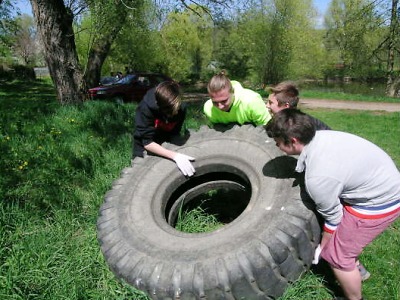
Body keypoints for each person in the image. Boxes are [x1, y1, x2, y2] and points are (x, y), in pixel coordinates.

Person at [265, 109, 400, 300]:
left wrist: (323, 248)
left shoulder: (318, 178)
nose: (276, 145)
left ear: (293, 140)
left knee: (337, 257)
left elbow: (334, 219)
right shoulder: (321, 136)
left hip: (378, 203)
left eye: (277, 141)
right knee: (342, 245)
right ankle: (358, 269)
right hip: (383, 181)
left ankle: (353, 296)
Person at [133, 81, 195, 177]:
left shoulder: (181, 108)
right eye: (169, 111)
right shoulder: (145, 108)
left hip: (167, 141)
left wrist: (178, 152)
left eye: (175, 110)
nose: (173, 115)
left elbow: (175, 133)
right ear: (159, 106)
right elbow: (147, 142)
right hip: (145, 144)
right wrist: (175, 156)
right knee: (141, 177)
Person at [203, 71, 271, 126]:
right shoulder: (209, 109)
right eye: (215, 102)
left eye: (224, 101)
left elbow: (267, 128)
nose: (220, 106)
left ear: (233, 92)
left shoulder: (252, 101)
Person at [266, 81, 331, 130]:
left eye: (270, 103)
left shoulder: (299, 127)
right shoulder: (288, 121)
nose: (267, 105)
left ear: (286, 106)